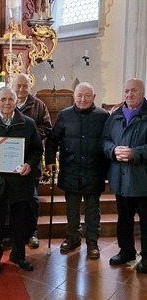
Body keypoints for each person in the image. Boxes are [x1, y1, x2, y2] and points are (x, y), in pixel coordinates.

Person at [0, 86, 43, 275]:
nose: (7, 103)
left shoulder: (28, 124)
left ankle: (19, 256)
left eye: (10, 99)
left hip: (21, 181)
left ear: (16, 101)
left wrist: (29, 164)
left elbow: (37, 150)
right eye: (3, 99)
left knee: (20, 222)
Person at [45, 82, 109, 259]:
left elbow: (109, 141)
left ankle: (92, 242)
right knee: (71, 208)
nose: (83, 99)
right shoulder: (64, 115)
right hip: (71, 169)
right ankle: (72, 238)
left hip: (94, 170)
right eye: (79, 95)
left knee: (92, 209)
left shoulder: (103, 116)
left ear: (94, 97)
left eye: (87, 95)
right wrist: (50, 161)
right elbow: (52, 140)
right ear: (74, 96)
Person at [102, 78, 147, 272]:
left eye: (134, 91)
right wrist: (113, 150)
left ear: (143, 91)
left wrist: (135, 153)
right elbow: (104, 140)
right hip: (121, 178)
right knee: (124, 219)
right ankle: (126, 251)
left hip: (143, 179)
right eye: (126, 91)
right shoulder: (115, 116)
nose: (129, 94)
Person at [12, 73, 52, 249]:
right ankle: (12, 233)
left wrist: (29, 136)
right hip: (10, 159)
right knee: (11, 199)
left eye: (24, 86)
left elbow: (47, 127)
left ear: (30, 86)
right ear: (12, 86)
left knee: (32, 199)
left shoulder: (38, 105)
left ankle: (32, 233)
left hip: (32, 159)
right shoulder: (6, 102)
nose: (21, 89)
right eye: (18, 86)